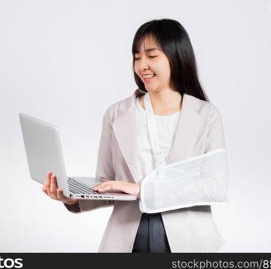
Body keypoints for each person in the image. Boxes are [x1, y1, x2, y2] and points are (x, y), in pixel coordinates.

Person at [42, 18, 227, 252]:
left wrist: (143, 190)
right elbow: (106, 183)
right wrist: (72, 199)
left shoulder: (206, 115)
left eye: (151, 56)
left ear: (176, 56)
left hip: (188, 239)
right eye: (137, 57)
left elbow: (214, 186)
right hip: (128, 236)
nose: (142, 66)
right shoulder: (117, 114)